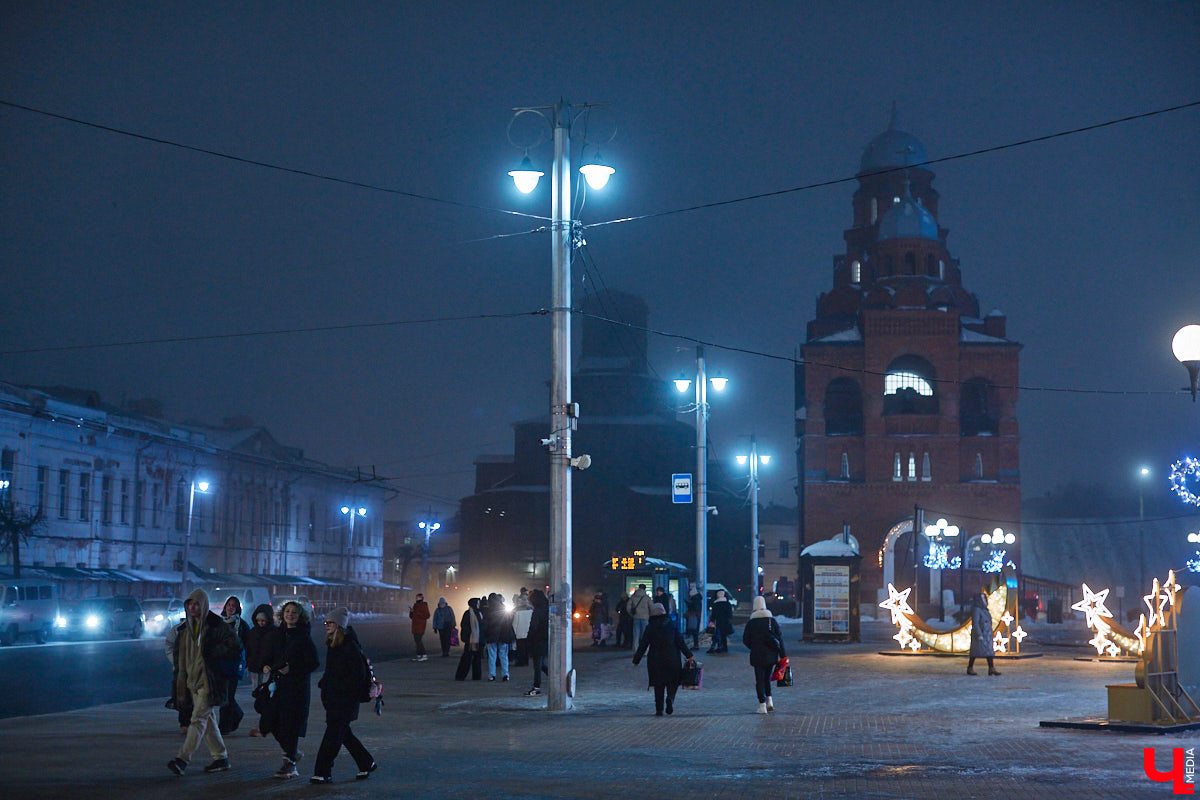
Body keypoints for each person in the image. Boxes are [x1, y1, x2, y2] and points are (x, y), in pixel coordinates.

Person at [166, 588, 242, 776]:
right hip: (192, 681)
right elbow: (180, 657)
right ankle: (221, 758)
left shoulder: (216, 625)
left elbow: (235, 646)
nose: (192, 607)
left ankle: (182, 760)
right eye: (190, 603)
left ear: (204, 605)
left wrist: (214, 652)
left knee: (198, 719)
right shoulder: (184, 628)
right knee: (207, 721)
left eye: (196, 603)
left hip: (210, 681)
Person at [310, 608, 377, 784]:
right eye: (326, 622)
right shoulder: (335, 643)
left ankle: (322, 772)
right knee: (344, 734)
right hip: (334, 699)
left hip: (344, 700)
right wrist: (325, 684)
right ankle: (366, 762)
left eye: (330, 623)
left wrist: (339, 689)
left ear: (339, 625)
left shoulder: (349, 646)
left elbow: (358, 676)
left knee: (332, 736)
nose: (326, 625)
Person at [265, 600, 320, 779]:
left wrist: (293, 669)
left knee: (291, 725)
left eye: (294, 612)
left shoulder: (303, 637)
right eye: (287, 611)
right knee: (271, 722)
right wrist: (266, 665)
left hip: (296, 688)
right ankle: (293, 753)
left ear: (300, 616)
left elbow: (313, 663)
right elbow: (269, 654)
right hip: (278, 686)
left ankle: (290, 764)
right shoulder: (277, 634)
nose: (290, 615)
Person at [632, 603, 694, 716]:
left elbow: (643, 645)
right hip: (672, 658)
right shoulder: (672, 625)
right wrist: (689, 655)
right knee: (673, 682)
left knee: (658, 684)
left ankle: (659, 709)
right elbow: (680, 642)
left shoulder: (650, 627)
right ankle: (670, 698)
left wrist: (636, 660)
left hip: (655, 660)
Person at [742, 595, 785, 714]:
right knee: (767, 678)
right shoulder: (772, 621)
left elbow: (745, 640)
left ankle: (762, 705)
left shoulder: (752, 623)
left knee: (759, 680)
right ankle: (769, 700)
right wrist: (783, 655)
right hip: (771, 656)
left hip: (757, 655)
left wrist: (753, 646)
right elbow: (779, 639)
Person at [218, 596, 250, 735]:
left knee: (228, 695)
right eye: (229, 605)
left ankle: (224, 726)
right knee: (222, 695)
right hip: (220, 664)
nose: (230, 607)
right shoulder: (219, 623)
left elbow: (248, 645)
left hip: (234, 664)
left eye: (233, 605)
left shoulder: (241, 625)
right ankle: (233, 718)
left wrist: (246, 663)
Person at [245, 604, 275, 736]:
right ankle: (264, 725)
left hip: (267, 670)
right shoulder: (253, 633)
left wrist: (270, 666)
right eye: (258, 621)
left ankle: (264, 726)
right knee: (258, 697)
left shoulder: (274, 633)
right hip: (255, 670)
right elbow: (249, 651)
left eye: (263, 620)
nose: (261, 623)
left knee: (266, 698)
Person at [482, 592, 515, 681]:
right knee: (504, 655)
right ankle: (505, 674)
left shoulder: (487, 611)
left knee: (492, 656)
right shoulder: (504, 609)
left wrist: (485, 634)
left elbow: (485, 624)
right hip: (503, 635)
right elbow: (509, 622)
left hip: (491, 636)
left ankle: (492, 675)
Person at [968, 590, 1001, 676]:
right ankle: (970, 667)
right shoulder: (977, 610)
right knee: (975, 652)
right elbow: (975, 622)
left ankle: (991, 668)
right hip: (981, 634)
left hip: (987, 634)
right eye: (982, 599)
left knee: (988, 652)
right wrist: (979, 634)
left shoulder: (985, 610)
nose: (984, 601)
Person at [525, 589, 549, 696]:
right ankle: (555, 678)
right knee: (540, 664)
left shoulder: (537, 611)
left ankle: (536, 687)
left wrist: (529, 638)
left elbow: (533, 627)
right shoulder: (547, 608)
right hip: (545, 639)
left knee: (537, 665)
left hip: (537, 641)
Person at [455, 597, 484, 681]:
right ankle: (461, 676)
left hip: (478, 640)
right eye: (478, 603)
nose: (479, 604)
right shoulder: (468, 614)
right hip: (471, 640)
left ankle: (476, 676)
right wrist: (467, 638)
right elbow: (465, 627)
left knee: (477, 659)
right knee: (467, 658)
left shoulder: (479, 613)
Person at [511, 590, 533, 667]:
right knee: (526, 648)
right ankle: (525, 661)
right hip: (528, 631)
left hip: (519, 632)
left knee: (520, 648)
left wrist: (514, 631)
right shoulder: (531, 610)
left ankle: (521, 662)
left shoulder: (517, 610)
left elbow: (515, 623)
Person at [409, 593, 431, 662]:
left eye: (418, 597)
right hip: (415, 626)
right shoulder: (415, 605)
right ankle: (419, 655)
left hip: (420, 626)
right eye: (416, 597)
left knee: (418, 640)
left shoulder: (423, 605)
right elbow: (411, 617)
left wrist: (419, 614)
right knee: (417, 641)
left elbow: (427, 615)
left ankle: (424, 654)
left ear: (421, 598)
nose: (417, 598)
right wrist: (411, 611)